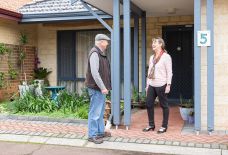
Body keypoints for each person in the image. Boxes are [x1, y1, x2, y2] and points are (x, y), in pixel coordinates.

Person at [85, 34, 112, 144]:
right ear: (101, 42)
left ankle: (100, 132)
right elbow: (95, 73)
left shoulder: (100, 54)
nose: (107, 44)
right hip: (96, 88)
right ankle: (92, 135)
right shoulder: (95, 53)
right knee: (95, 113)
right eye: (106, 42)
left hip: (100, 89)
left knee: (100, 113)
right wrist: (102, 87)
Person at [143, 37, 173, 134]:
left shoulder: (166, 57)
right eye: (152, 43)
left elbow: (169, 72)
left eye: (155, 42)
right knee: (148, 104)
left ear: (161, 44)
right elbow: (149, 71)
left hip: (162, 84)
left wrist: (168, 85)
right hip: (152, 84)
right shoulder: (152, 57)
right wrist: (147, 85)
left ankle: (164, 126)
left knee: (164, 105)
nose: (153, 44)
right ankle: (151, 125)